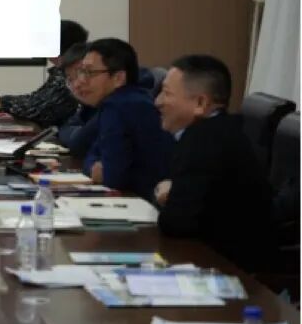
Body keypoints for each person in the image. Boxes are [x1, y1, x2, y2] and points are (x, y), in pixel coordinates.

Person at [153, 55, 275, 272]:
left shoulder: (202, 143)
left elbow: (175, 224)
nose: (158, 102)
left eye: (167, 93)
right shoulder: (222, 129)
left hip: (232, 269)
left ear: (201, 103)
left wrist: (169, 195)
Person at [75, 38, 173, 199]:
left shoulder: (119, 106)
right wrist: (93, 165)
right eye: (82, 71)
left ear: (118, 78)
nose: (80, 81)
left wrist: (95, 167)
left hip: (147, 201)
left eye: (90, 73)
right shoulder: (132, 98)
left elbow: (112, 178)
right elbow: (93, 152)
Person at [0, 20, 88, 126]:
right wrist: (2, 103)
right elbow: (36, 98)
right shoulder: (60, 71)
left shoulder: (72, 74)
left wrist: (3, 105)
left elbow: (41, 109)